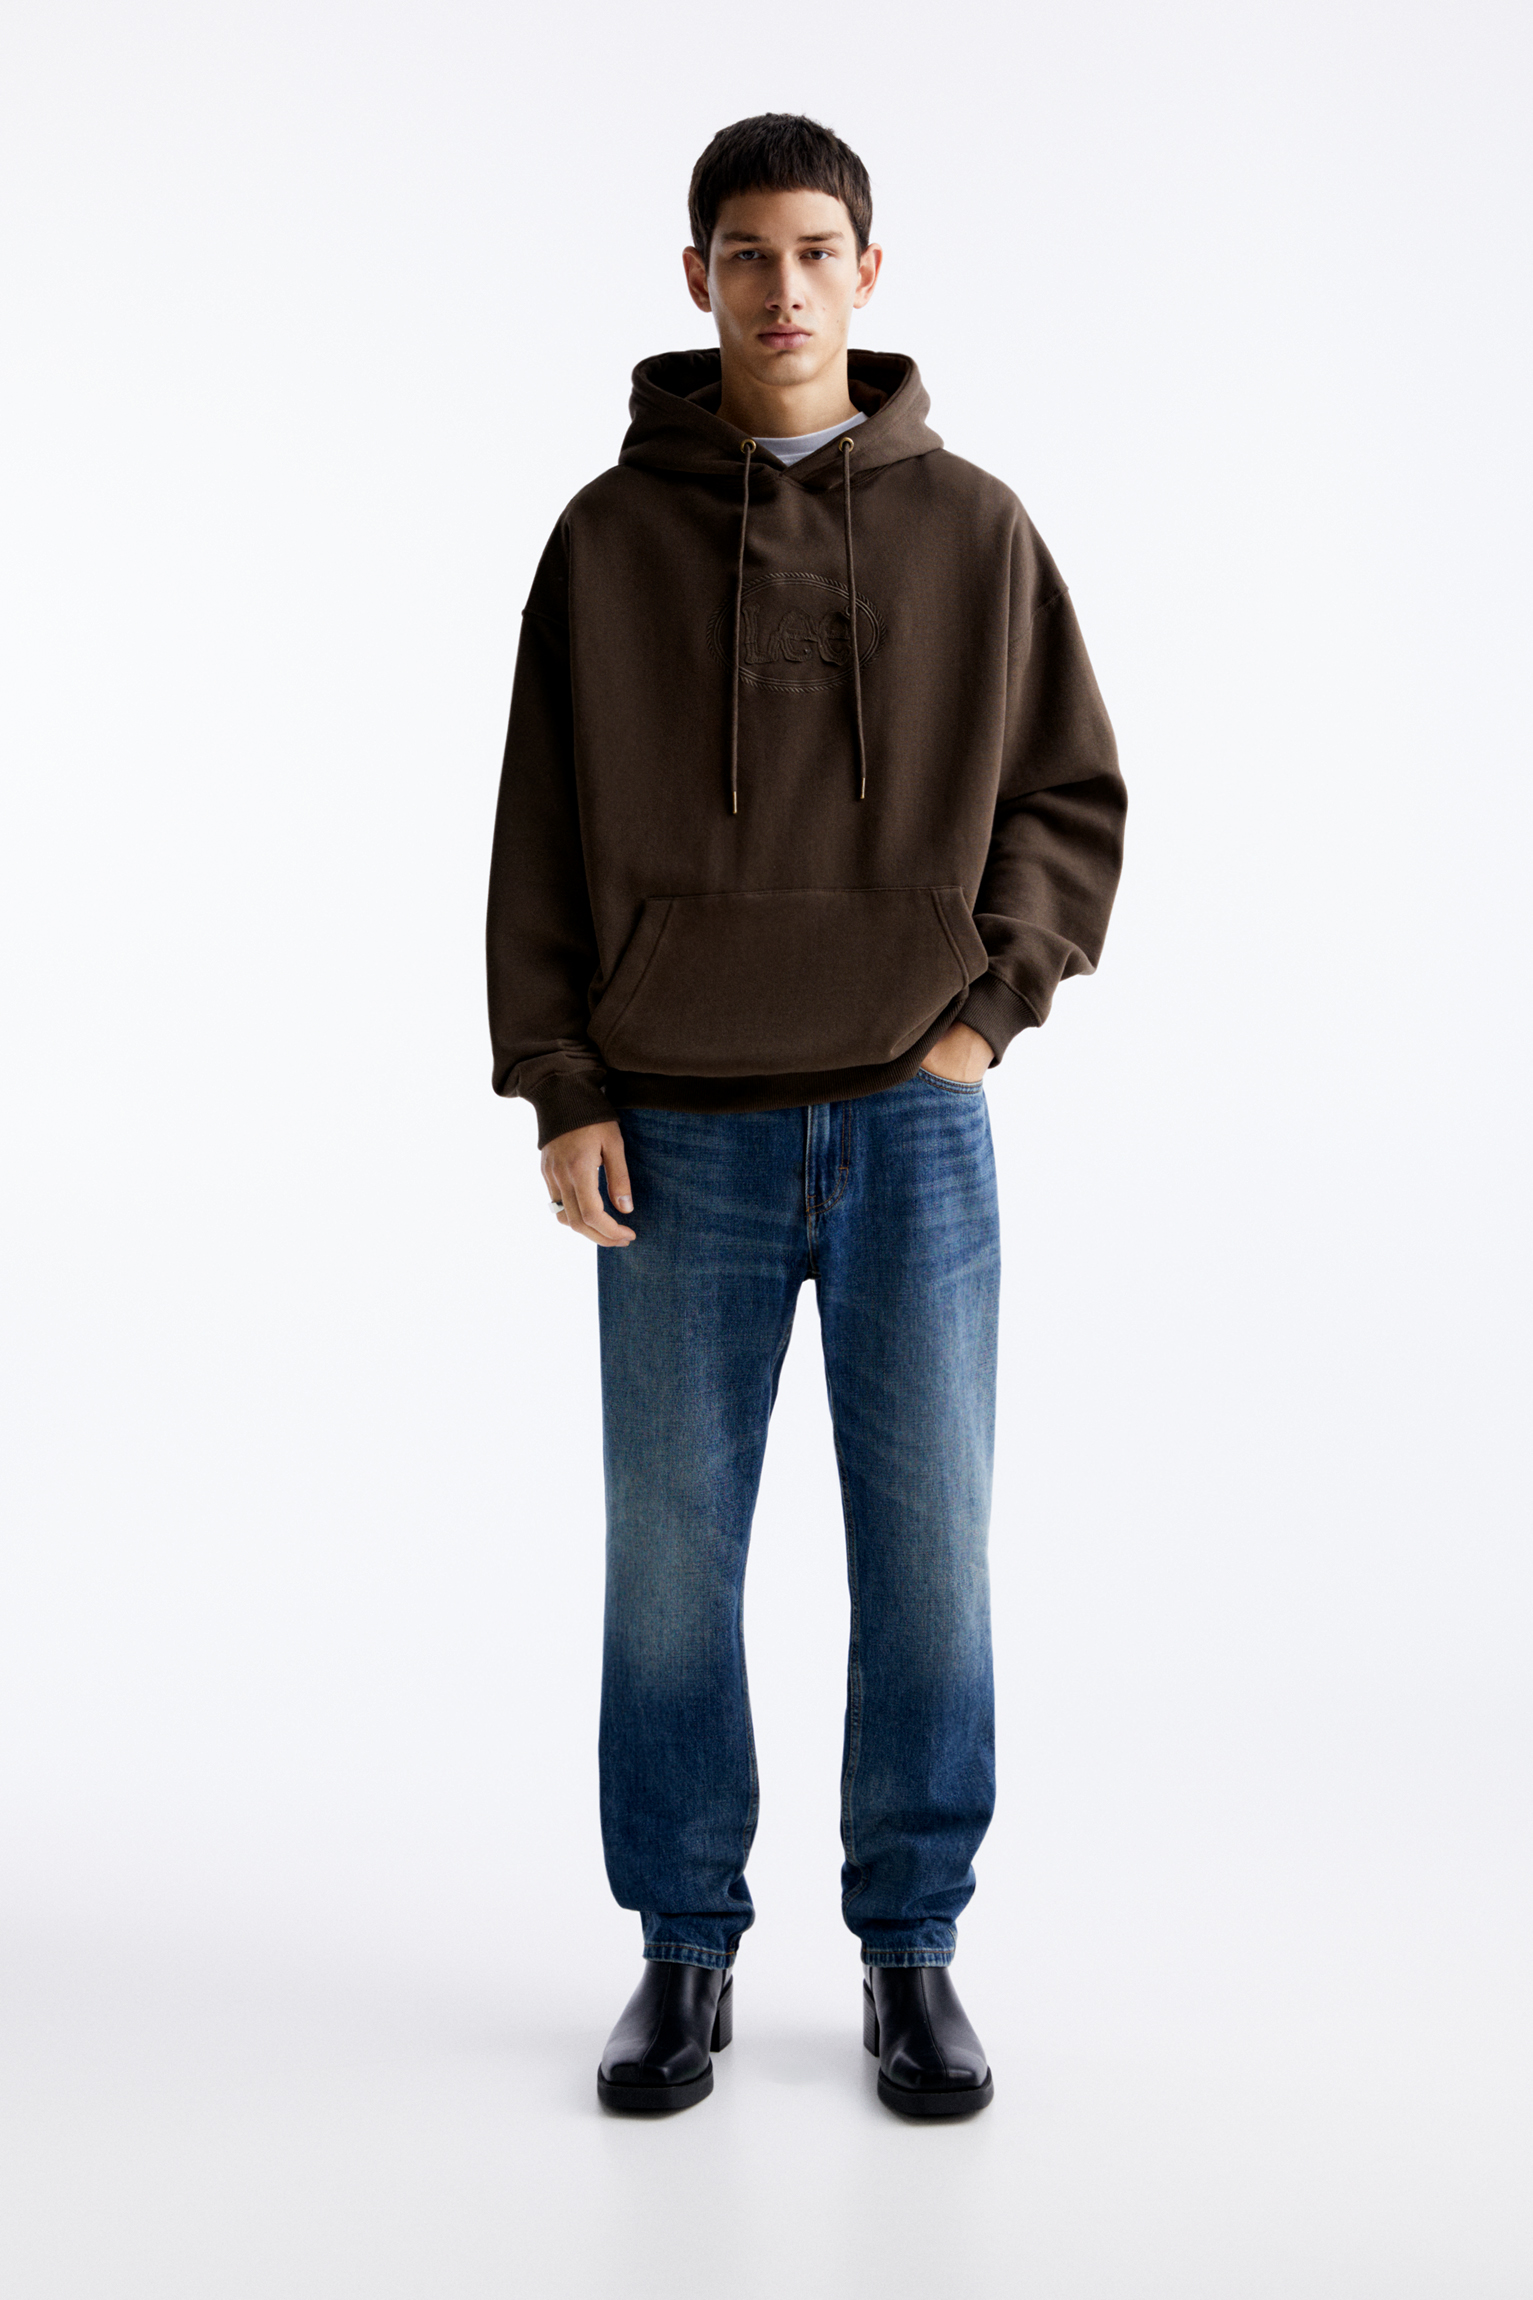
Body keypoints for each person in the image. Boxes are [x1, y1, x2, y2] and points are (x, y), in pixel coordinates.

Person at [486, 112, 1126, 2118]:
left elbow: (1066, 792)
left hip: (909, 1124)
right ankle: (680, 1947)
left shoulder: (973, 528)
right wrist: (561, 1086)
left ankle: (909, 1950)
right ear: (696, 278)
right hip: (674, 1130)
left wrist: (987, 1009)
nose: (781, 288)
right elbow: (536, 837)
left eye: (815, 251)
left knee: (927, 1559)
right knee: (670, 1564)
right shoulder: (606, 540)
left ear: (868, 270)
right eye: (745, 254)